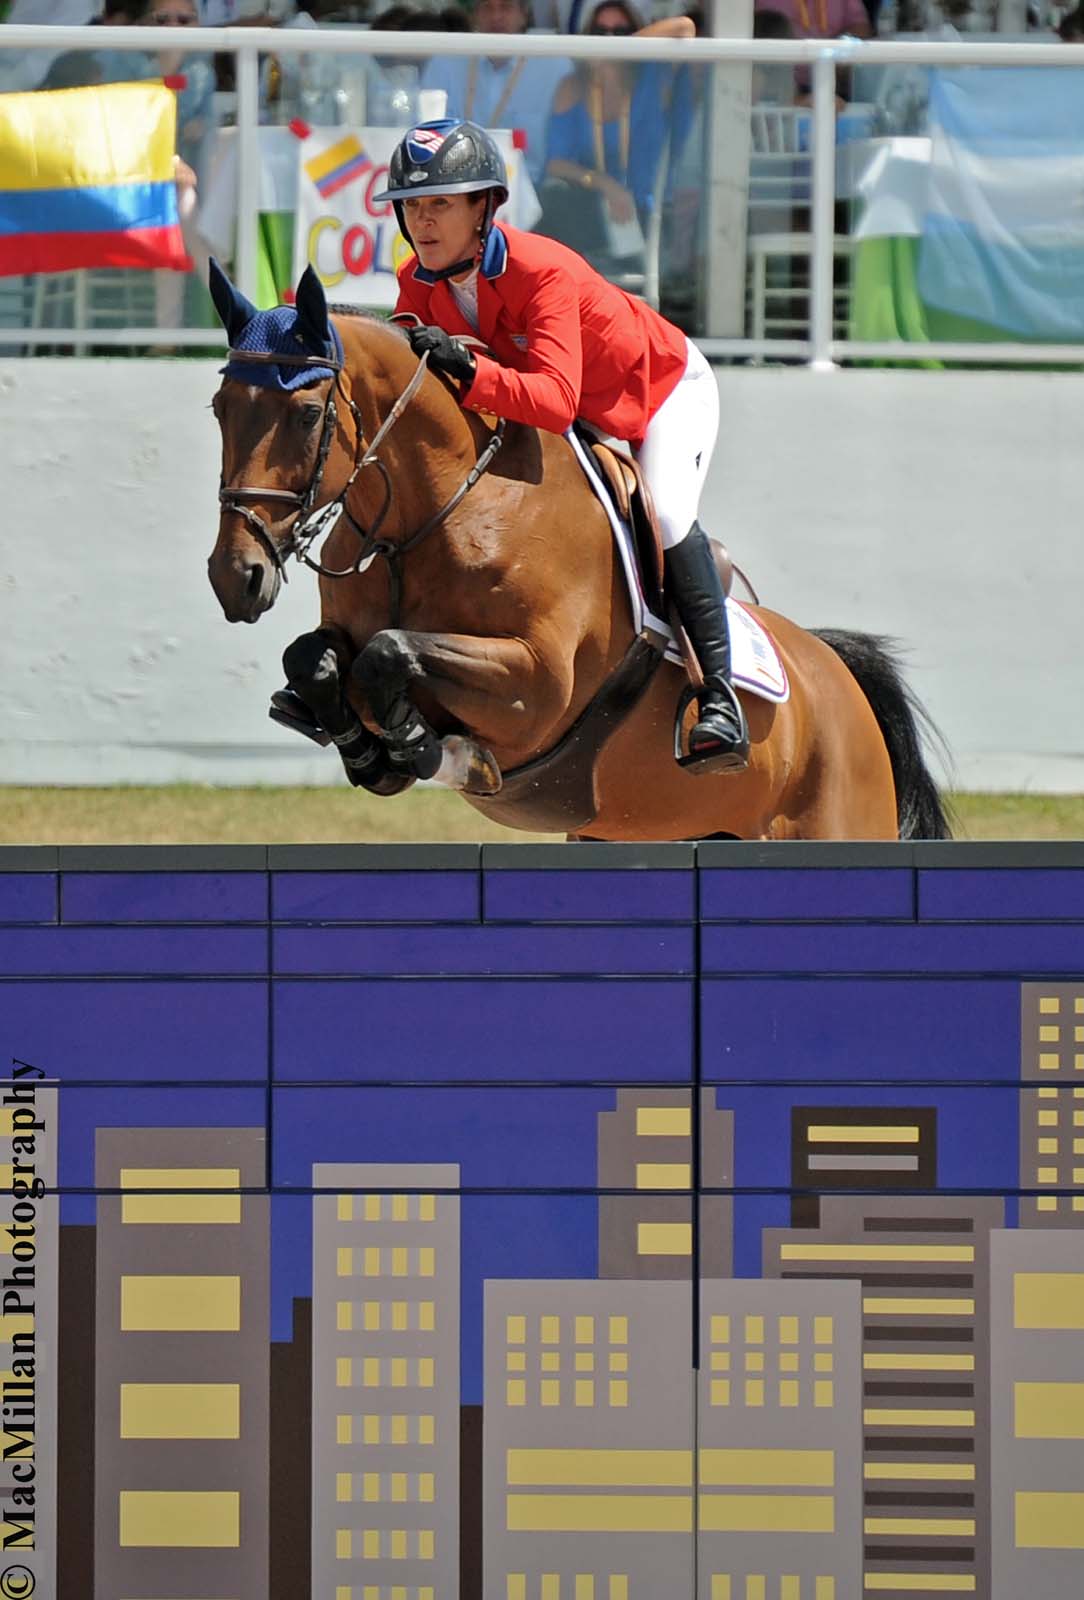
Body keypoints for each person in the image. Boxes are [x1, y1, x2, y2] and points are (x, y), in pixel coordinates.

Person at [374, 118, 749, 770]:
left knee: (664, 514)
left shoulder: (540, 270)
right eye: (411, 206)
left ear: (483, 207)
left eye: (439, 203)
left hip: (660, 392)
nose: (422, 220)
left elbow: (551, 401)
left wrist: (468, 374)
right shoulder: (417, 283)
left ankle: (718, 699)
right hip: (583, 412)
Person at [544, 0, 694, 232]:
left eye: (620, 31)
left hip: (650, 213)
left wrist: (621, 49)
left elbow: (685, 28)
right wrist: (605, 184)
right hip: (590, 212)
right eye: (600, 32)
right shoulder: (574, 86)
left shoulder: (653, 80)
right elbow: (556, 164)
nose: (609, 38)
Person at [419, 0, 569, 187]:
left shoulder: (554, 65)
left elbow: (567, 150)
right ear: (475, 15)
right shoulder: (446, 61)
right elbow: (425, 135)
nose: (496, 16)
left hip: (533, 194)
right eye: (487, 8)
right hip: (456, 188)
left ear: (524, 16)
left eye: (506, 7)